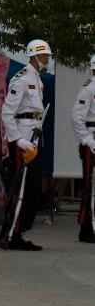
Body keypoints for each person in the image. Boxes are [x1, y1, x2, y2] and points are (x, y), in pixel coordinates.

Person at [0, 39, 52, 251]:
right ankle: (11, 234)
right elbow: (8, 113)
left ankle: (20, 232)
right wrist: (18, 140)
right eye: (44, 55)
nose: (47, 59)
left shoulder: (37, 79)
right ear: (35, 55)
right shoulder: (20, 79)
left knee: (32, 190)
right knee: (21, 190)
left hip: (34, 138)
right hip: (22, 140)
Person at [70, 54, 95, 244]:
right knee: (89, 186)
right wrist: (87, 140)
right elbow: (77, 118)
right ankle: (87, 228)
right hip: (92, 141)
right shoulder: (88, 89)